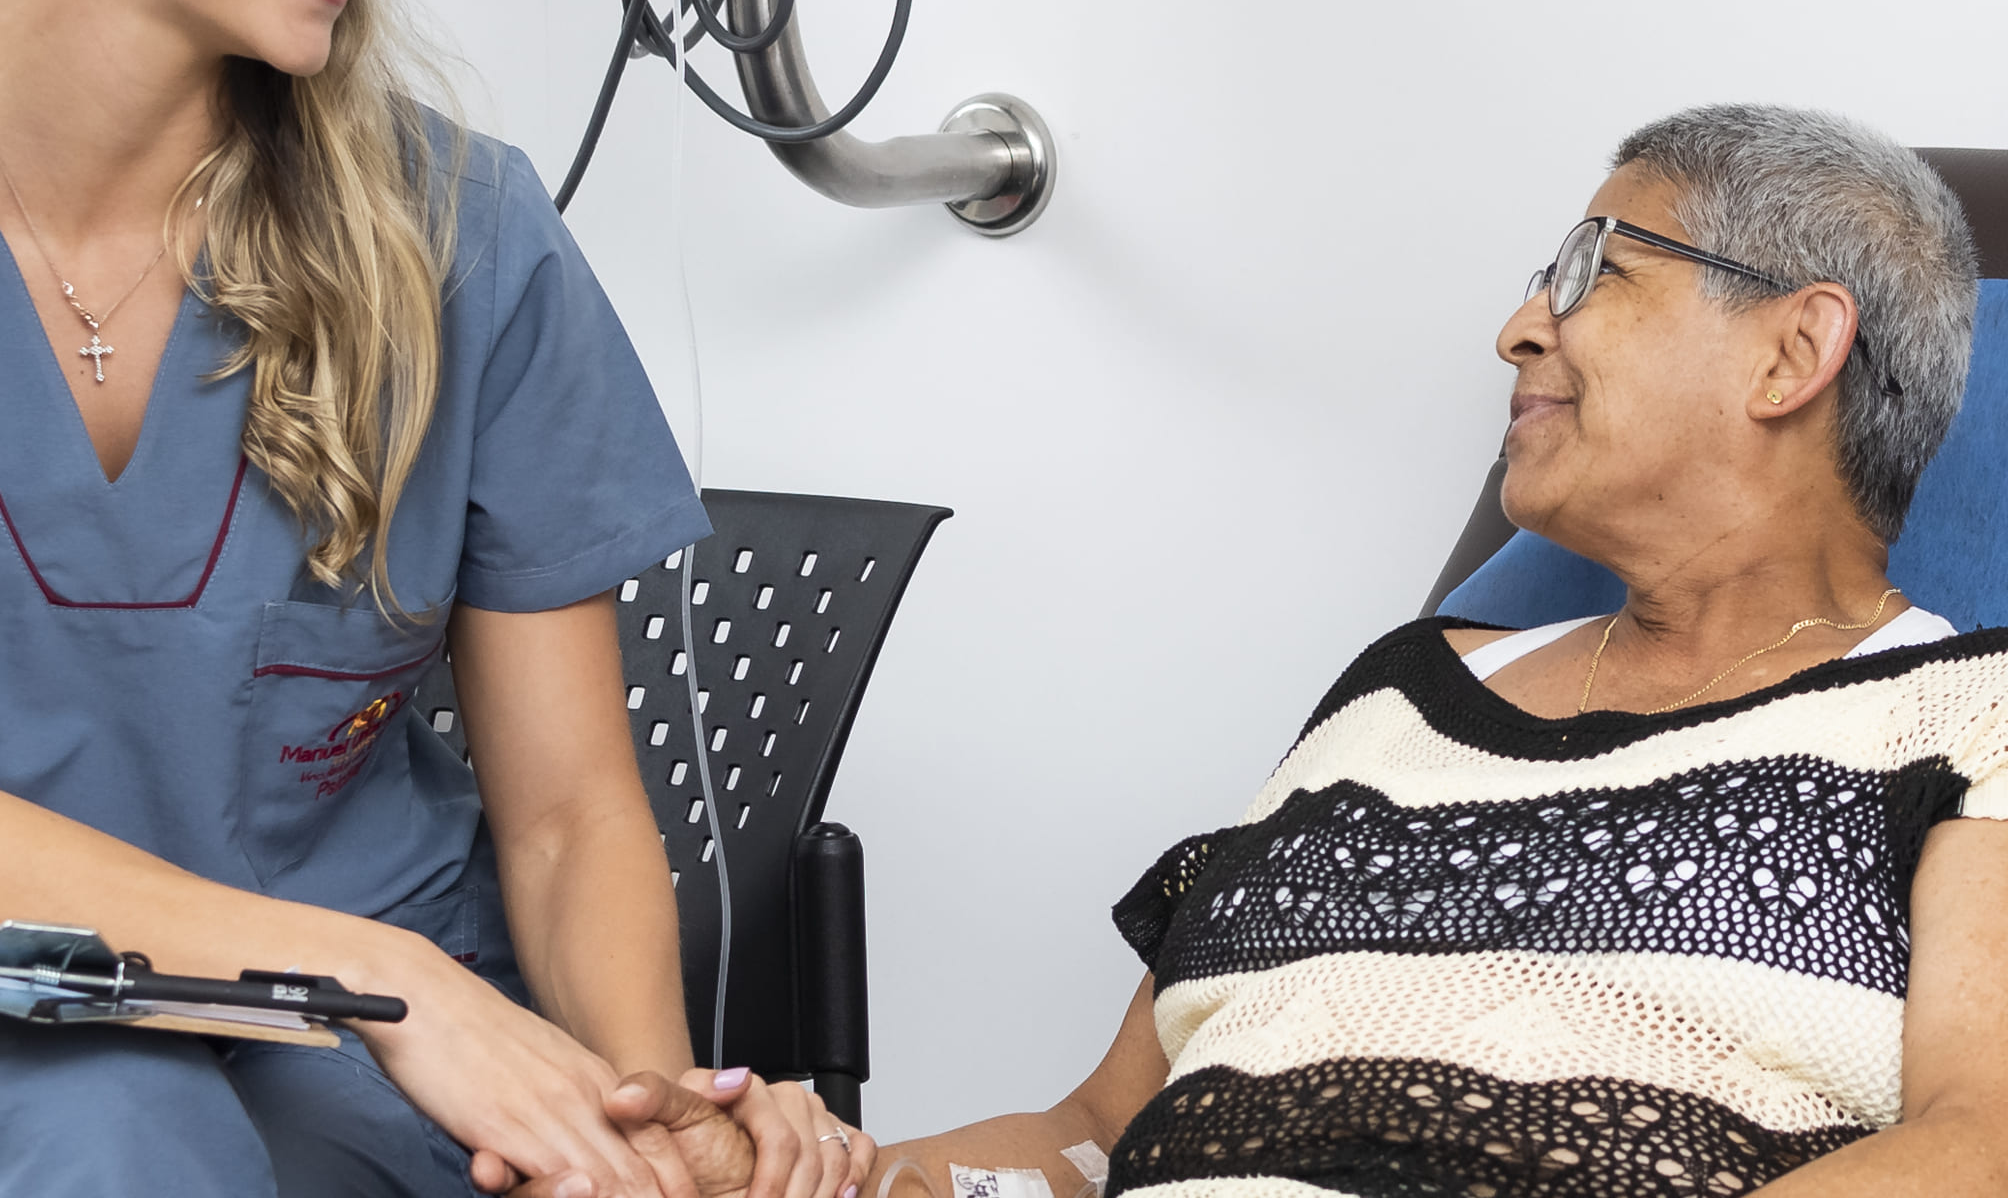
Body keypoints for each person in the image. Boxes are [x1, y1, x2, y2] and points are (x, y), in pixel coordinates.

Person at [0, 0, 872, 1198]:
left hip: (380, 1074)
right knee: (113, 1130)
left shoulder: (460, 238)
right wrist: (385, 981)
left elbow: (564, 813)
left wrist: (645, 1109)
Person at [807, 105, 2008, 1197]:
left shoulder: (1971, 720)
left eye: (1594, 274)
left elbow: (1981, 1148)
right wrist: (831, 1183)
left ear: (1793, 354)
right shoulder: (1401, 699)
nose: (1518, 331)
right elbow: (1096, 1134)